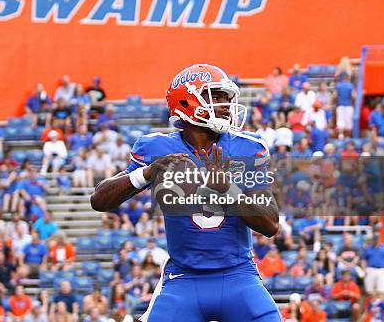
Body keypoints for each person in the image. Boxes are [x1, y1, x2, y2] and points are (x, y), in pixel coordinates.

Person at [91, 64, 279, 321]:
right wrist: (146, 173)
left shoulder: (248, 148)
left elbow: (270, 225)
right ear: (187, 101)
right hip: (184, 279)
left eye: (226, 98)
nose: (226, 105)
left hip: (239, 275)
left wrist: (228, 190)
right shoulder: (156, 148)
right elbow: (99, 200)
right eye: (217, 96)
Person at [362, 234, 384, 300]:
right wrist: (364, 270)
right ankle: (372, 308)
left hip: (382, 270)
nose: (376, 241)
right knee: (370, 291)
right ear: (373, 240)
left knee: (381, 291)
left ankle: (381, 308)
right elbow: (364, 260)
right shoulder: (368, 249)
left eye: (377, 239)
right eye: (375, 239)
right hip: (370, 269)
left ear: (379, 239)